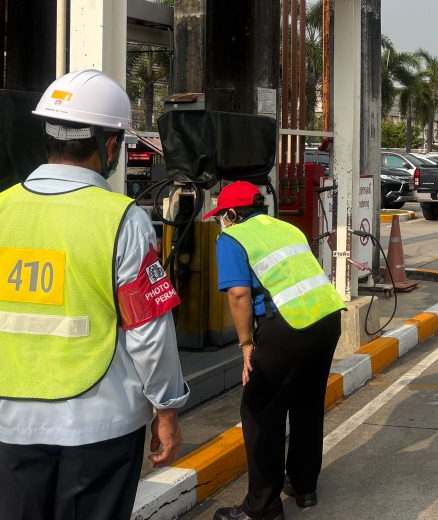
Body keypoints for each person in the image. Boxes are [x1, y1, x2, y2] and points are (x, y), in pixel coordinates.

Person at [0, 69, 188, 520]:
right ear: (109, 146)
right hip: (99, 428)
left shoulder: (3, 207)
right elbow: (148, 331)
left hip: (9, 422)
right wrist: (167, 408)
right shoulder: (123, 220)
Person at [209, 181, 345, 520]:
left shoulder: (232, 238)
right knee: (307, 402)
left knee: (259, 412)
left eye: (220, 217)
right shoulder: (288, 228)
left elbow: (238, 295)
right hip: (327, 319)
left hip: (287, 326)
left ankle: (262, 507)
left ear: (230, 213)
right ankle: (304, 486)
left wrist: (246, 347)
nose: (220, 222)